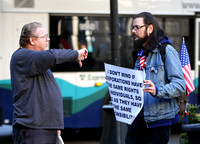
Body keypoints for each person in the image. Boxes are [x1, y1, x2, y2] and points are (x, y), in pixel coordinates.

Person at [10, 22, 88, 144]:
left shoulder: (36, 60)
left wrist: (55, 126)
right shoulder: (22, 56)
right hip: (33, 129)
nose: (48, 39)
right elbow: (52, 56)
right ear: (32, 40)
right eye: (44, 36)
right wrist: (75, 54)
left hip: (44, 128)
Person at [125, 12, 186, 144]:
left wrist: (157, 90)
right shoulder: (139, 53)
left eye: (137, 27)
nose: (133, 31)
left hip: (159, 122)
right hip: (137, 120)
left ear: (150, 28)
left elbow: (180, 85)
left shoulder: (166, 50)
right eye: (132, 28)